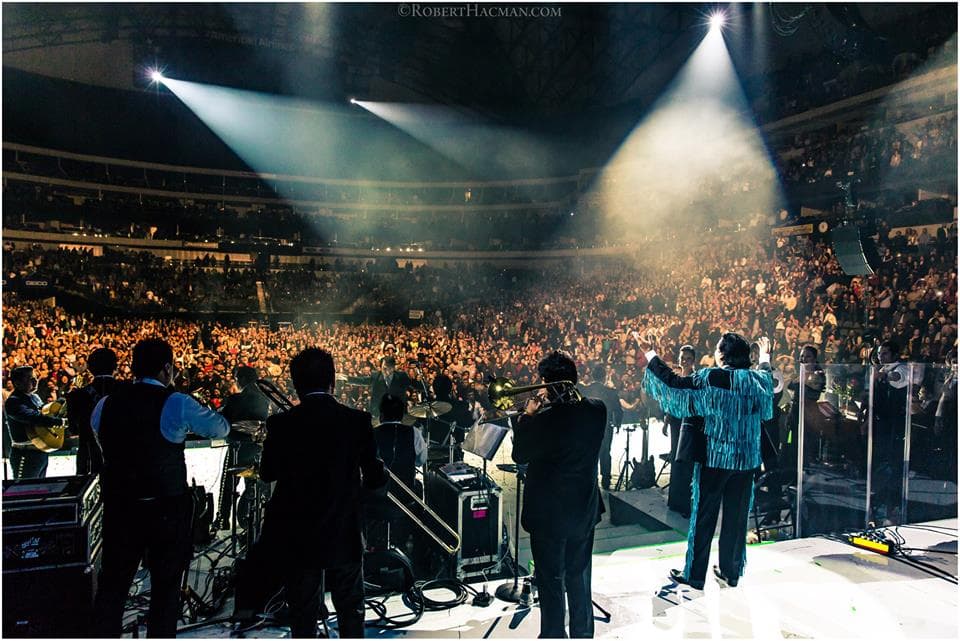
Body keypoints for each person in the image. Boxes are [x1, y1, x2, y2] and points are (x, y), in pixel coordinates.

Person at [90, 338, 230, 638]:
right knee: (165, 590)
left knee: (113, 586)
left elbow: (105, 443)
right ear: (168, 368)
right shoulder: (175, 401)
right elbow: (220, 428)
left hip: (120, 508)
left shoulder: (106, 403)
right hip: (165, 509)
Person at [252, 347, 388, 638]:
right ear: (333, 380)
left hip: (298, 534)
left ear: (296, 384)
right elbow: (376, 479)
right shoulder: (358, 421)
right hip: (344, 530)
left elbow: (267, 473)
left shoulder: (281, 424)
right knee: (351, 610)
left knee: (303, 613)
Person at [641, 333, 773, 590]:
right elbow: (768, 378)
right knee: (736, 519)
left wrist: (651, 355)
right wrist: (766, 356)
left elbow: (674, 384)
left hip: (715, 459)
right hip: (746, 462)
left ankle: (695, 574)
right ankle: (731, 571)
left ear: (722, 355)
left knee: (703, 517)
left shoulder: (711, 377)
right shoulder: (758, 380)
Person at [512, 350, 606, 638]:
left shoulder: (543, 420)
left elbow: (520, 455)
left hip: (549, 515)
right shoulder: (597, 410)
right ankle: (582, 633)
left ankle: (553, 634)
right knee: (579, 577)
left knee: (552, 580)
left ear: (547, 383)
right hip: (583, 510)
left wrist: (527, 417)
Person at [215, 365, 271, 530]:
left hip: (237, 450)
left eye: (237, 378)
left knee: (228, 486)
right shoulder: (265, 399)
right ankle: (249, 519)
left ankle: (223, 519)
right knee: (252, 485)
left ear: (243, 379)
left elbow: (224, 423)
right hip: (256, 449)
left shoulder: (235, 400)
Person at [5, 366, 64, 479]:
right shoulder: (13, 401)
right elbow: (33, 417)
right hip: (25, 453)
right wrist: (58, 421)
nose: (35, 381)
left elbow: (44, 412)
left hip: (41, 450)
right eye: (30, 378)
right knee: (24, 491)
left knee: (38, 488)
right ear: (17, 383)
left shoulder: (35, 397)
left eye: (35, 377)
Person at [66, 347, 118, 475]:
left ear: (89, 367)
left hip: (89, 460)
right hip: (121, 461)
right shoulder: (129, 391)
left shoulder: (76, 396)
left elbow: (73, 429)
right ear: (115, 366)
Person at [663, 346, 697, 516]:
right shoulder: (676, 378)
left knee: (685, 462)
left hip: (689, 422)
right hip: (675, 422)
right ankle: (675, 502)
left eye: (688, 358)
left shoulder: (695, 379)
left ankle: (686, 504)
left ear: (694, 361)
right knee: (676, 461)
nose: (684, 361)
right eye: (682, 357)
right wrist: (666, 420)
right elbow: (671, 401)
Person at [582, 363, 623, 491]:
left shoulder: (585, 390)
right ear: (604, 377)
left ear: (593, 376)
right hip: (605, 426)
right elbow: (618, 410)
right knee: (605, 453)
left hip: (588, 427)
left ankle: (590, 479)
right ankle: (606, 480)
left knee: (590, 453)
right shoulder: (610, 392)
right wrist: (617, 424)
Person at [423, 373, 472, 467]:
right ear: (450, 388)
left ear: (434, 389)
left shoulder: (427, 407)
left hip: (432, 453)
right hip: (454, 452)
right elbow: (468, 423)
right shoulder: (460, 406)